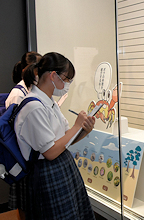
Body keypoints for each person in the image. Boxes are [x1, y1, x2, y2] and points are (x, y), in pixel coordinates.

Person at [14, 52, 96, 220]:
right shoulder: (33, 107)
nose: (68, 84)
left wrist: (83, 130)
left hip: (62, 166)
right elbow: (50, 152)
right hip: (47, 173)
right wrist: (77, 126)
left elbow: (65, 138)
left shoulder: (48, 102)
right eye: (66, 79)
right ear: (53, 76)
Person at [6, 51, 42, 214]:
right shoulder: (18, 94)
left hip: (32, 158)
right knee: (26, 209)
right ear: (34, 70)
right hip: (23, 160)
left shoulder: (31, 90)